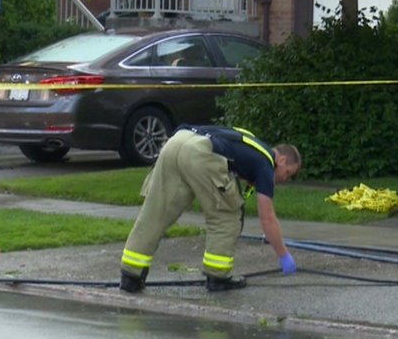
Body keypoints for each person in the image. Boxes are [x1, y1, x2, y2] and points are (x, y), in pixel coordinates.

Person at [119, 125, 301, 293]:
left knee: (156, 212)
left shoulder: (251, 140)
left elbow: (229, 154)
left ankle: (130, 275)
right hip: (201, 153)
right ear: (282, 159)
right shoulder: (266, 164)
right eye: (288, 173)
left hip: (177, 141)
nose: (285, 179)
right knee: (228, 215)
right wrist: (284, 255)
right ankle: (217, 277)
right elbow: (267, 218)